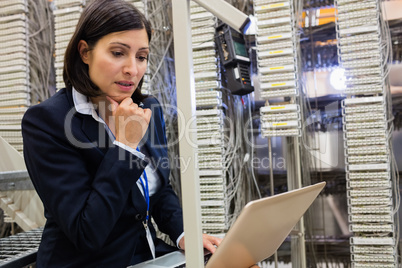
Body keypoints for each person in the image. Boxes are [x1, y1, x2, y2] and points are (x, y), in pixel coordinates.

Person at [21, 0, 221, 266]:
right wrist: (125, 145)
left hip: (149, 255)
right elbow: (86, 231)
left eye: (141, 56)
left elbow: (158, 190)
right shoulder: (47, 121)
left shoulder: (147, 108)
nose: (132, 69)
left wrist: (185, 234)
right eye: (118, 53)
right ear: (85, 52)